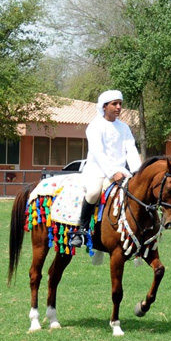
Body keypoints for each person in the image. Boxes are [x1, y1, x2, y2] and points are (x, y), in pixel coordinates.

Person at [72, 90, 142, 247]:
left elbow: (131, 149)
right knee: (94, 192)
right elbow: (98, 152)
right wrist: (112, 172)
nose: (118, 107)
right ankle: (82, 230)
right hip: (97, 170)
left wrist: (138, 171)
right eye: (114, 104)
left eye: (120, 104)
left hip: (121, 171)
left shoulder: (124, 128)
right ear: (104, 107)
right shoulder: (95, 126)